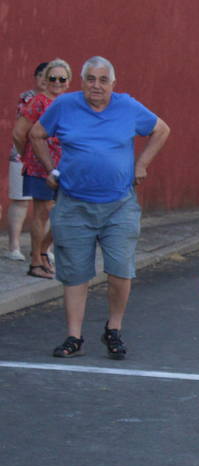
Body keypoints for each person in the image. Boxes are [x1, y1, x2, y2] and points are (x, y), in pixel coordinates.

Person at [30, 56, 170, 359]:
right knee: (75, 273)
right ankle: (74, 336)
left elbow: (161, 130)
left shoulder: (128, 106)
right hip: (73, 203)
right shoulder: (65, 106)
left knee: (121, 270)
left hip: (119, 205)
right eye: (90, 79)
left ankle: (113, 329)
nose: (96, 85)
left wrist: (142, 163)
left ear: (113, 84)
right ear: (82, 81)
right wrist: (50, 170)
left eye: (103, 80)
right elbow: (36, 134)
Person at [12, 59, 71, 279]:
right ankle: (36, 261)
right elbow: (19, 133)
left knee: (66, 212)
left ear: (68, 82)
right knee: (42, 213)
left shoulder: (69, 103)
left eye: (62, 78)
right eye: (52, 77)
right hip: (40, 168)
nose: (57, 82)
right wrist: (26, 155)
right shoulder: (38, 102)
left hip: (65, 167)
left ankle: (43, 251)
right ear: (45, 80)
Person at [7, 62, 47, 261]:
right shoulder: (28, 98)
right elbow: (23, 130)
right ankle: (14, 246)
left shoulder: (62, 101)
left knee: (48, 205)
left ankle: (44, 249)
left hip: (51, 157)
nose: (45, 79)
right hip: (23, 155)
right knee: (21, 200)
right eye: (41, 74)